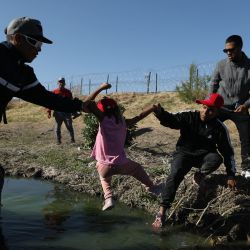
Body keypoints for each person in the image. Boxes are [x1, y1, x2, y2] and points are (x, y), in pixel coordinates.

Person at [0, 17, 89, 205]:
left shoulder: (22, 74)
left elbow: (47, 98)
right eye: (35, 42)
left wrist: (79, 105)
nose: (39, 49)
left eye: (41, 44)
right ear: (17, 39)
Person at [152, 93, 237, 228]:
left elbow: (228, 152)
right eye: (204, 107)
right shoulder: (189, 115)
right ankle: (162, 212)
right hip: (184, 153)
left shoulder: (220, 128)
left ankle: (200, 174)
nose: (205, 112)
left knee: (216, 158)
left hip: (205, 156)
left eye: (211, 110)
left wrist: (231, 174)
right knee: (174, 175)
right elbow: (172, 120)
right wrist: (160, 113)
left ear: (217, 112)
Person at [86, 83, 161, 211]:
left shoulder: (103, 119)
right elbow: (140, 116)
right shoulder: (124, 123)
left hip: (103, 165)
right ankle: (151, 187)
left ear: (102, 111)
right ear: (117, 109)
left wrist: (101, 88)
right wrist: (153, 108)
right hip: (121, 163)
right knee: (137, 169)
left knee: (104, 178)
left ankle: (108, 199)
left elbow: (88, 103)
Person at [210, 35, 250, 179]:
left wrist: (246, 105)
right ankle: (206, 161)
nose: (228, 53)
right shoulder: (221, 65)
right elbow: (213, 84)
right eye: (225, 50)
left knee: (247, 138)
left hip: (240, 108)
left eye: (231, 50)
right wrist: (211, 103)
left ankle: (246, 169)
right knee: (209, 130)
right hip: (220, 106)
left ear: (240, 48)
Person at [47, 77, 76, 144]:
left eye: (62, 82)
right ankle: (58, 141)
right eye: (60, 82)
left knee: (69, 127)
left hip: (67, 113)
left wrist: (74, 112)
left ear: (64, 83)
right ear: (57, 83)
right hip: (58, 113)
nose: (61, 83)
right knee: (57, 128)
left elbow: (71, 103)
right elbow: (50, 103)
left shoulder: (68, 92)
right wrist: (49, 111)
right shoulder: (54, 92)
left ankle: (72, 140)